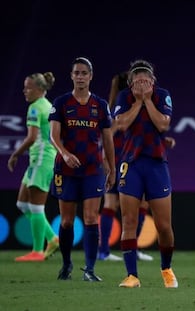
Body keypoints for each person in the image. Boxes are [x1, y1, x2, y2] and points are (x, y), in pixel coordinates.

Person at [49, 57, 116, 281]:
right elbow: (53, 136)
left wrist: (112, 169)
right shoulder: (61, 103)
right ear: (71, 76)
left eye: (84, 73)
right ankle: (66, 264)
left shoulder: (100, 105)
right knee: (66, 221)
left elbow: (108, 140)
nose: (80, 77)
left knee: (90, 219)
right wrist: (65, 154)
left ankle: (89, 269)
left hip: (92, 169)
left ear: (91, 76)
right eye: (76, 72)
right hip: (66, 170)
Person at [114, 59, 177, 288]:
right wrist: (138, 102)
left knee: (164, 226)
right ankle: (132, 276)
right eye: (138, 81)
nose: (142, 84)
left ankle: (166, 269)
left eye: (146, 80)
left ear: (153, 82)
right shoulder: (124, 98)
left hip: (156, 166)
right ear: (130, 84)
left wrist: (148, 100)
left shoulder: (161, 95)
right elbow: (121, 123)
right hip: (130, 165)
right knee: (128, 221)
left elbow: (163, 125)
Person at [98, 71, 156, 262]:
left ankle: (107, 251)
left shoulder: (114, 106)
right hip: (124, 159)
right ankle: (111, 250)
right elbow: (111, 132)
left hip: (123, 158)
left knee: (114, 204)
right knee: (136, 203)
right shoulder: (125, 107)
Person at [7, 72, 59, 262]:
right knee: (22, 203)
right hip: (38, 160)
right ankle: (52, 238)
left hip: (42, 160)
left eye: (28, 87)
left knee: (36, 207)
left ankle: (38, 251)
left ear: (39, 89)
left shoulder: (36, 108)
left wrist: (15, 154)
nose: (24, 91)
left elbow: (31, 137)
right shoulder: (47, 105)